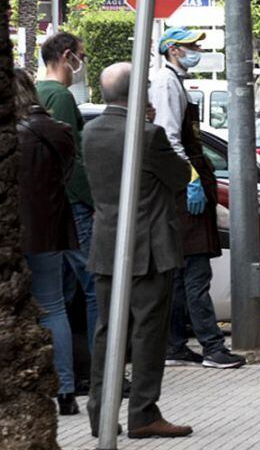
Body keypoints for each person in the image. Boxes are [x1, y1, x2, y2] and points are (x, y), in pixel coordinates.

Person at [84, 63, 193, 439]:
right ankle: (143, 412)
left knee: (106, 330)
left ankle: (100, 412)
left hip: (106, 244)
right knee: (148, 331)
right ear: (137, 94)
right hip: (149, 247)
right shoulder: (149, 136)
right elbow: (180, 177)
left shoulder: (91, 132)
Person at [148, 27, 244, 370]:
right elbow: (169, 136)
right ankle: (212, 347)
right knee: (195, 271)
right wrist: (188, 178)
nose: (196, 50)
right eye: (190, 46)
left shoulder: (173, 81)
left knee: (183, 271)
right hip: (183, 188)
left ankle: (176, 344)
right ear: (172, 50)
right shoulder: (165, 83)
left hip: (185, 184)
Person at [15, 69, 79, 415]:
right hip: (50, 232)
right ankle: (66, 391)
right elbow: (66, 177)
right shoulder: (60, 133)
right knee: (54, 306)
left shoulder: (10, 135)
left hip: (13, 236)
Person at [36, 32, 99, 359]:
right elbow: (69, 157)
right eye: (81, 56)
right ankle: (103, 367)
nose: (81, 64)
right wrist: (92, 201)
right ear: (66, 56)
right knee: (94, 288)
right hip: (73, 207)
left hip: (52, 207)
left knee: (61, 293)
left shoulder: (38, 92)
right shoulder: (59, 97)